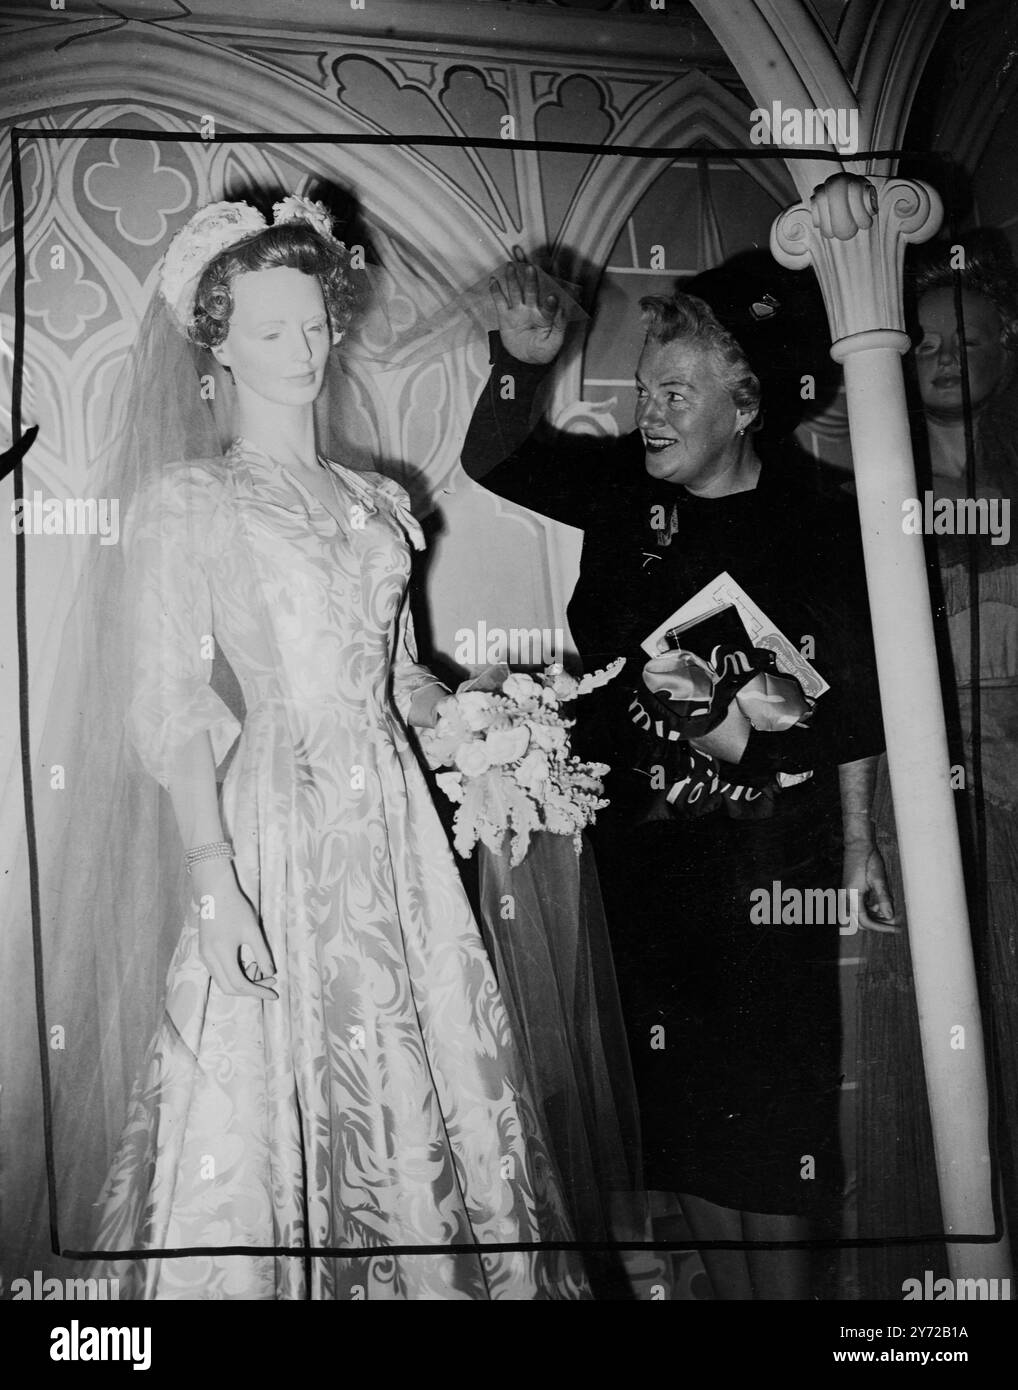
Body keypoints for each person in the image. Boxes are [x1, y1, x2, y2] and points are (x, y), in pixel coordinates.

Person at [8, 196, 594, 1301]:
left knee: (422, 1078)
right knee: (257, 1084)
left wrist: (471, 727)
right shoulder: (189, 502)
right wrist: (212, 873)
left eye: (316, 322)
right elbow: (171, 699)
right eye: (271, 330)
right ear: (216, 345)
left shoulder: (380, 502)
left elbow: (398, 670)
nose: (306, 349)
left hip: (395, 825)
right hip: (274, 813)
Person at [459, 259, 896, 1299]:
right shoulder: (622, 487)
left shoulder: (822, 519)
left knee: (774, 1115)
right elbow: (494, 455)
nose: (647, 414)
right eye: (643, 392)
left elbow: (862, 713)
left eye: (674, 393)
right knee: (683, 1115)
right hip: (639, 862)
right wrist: (524, 363)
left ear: (744, 404)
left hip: (761, 865)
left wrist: (857, 843)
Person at [856, 231, 1018, 1294]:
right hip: (931, 794)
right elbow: (859, 679)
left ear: (1005, 335)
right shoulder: (871, 482)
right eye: (926, 336)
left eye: (967, 328)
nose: (946, 351)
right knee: (959, 1036)